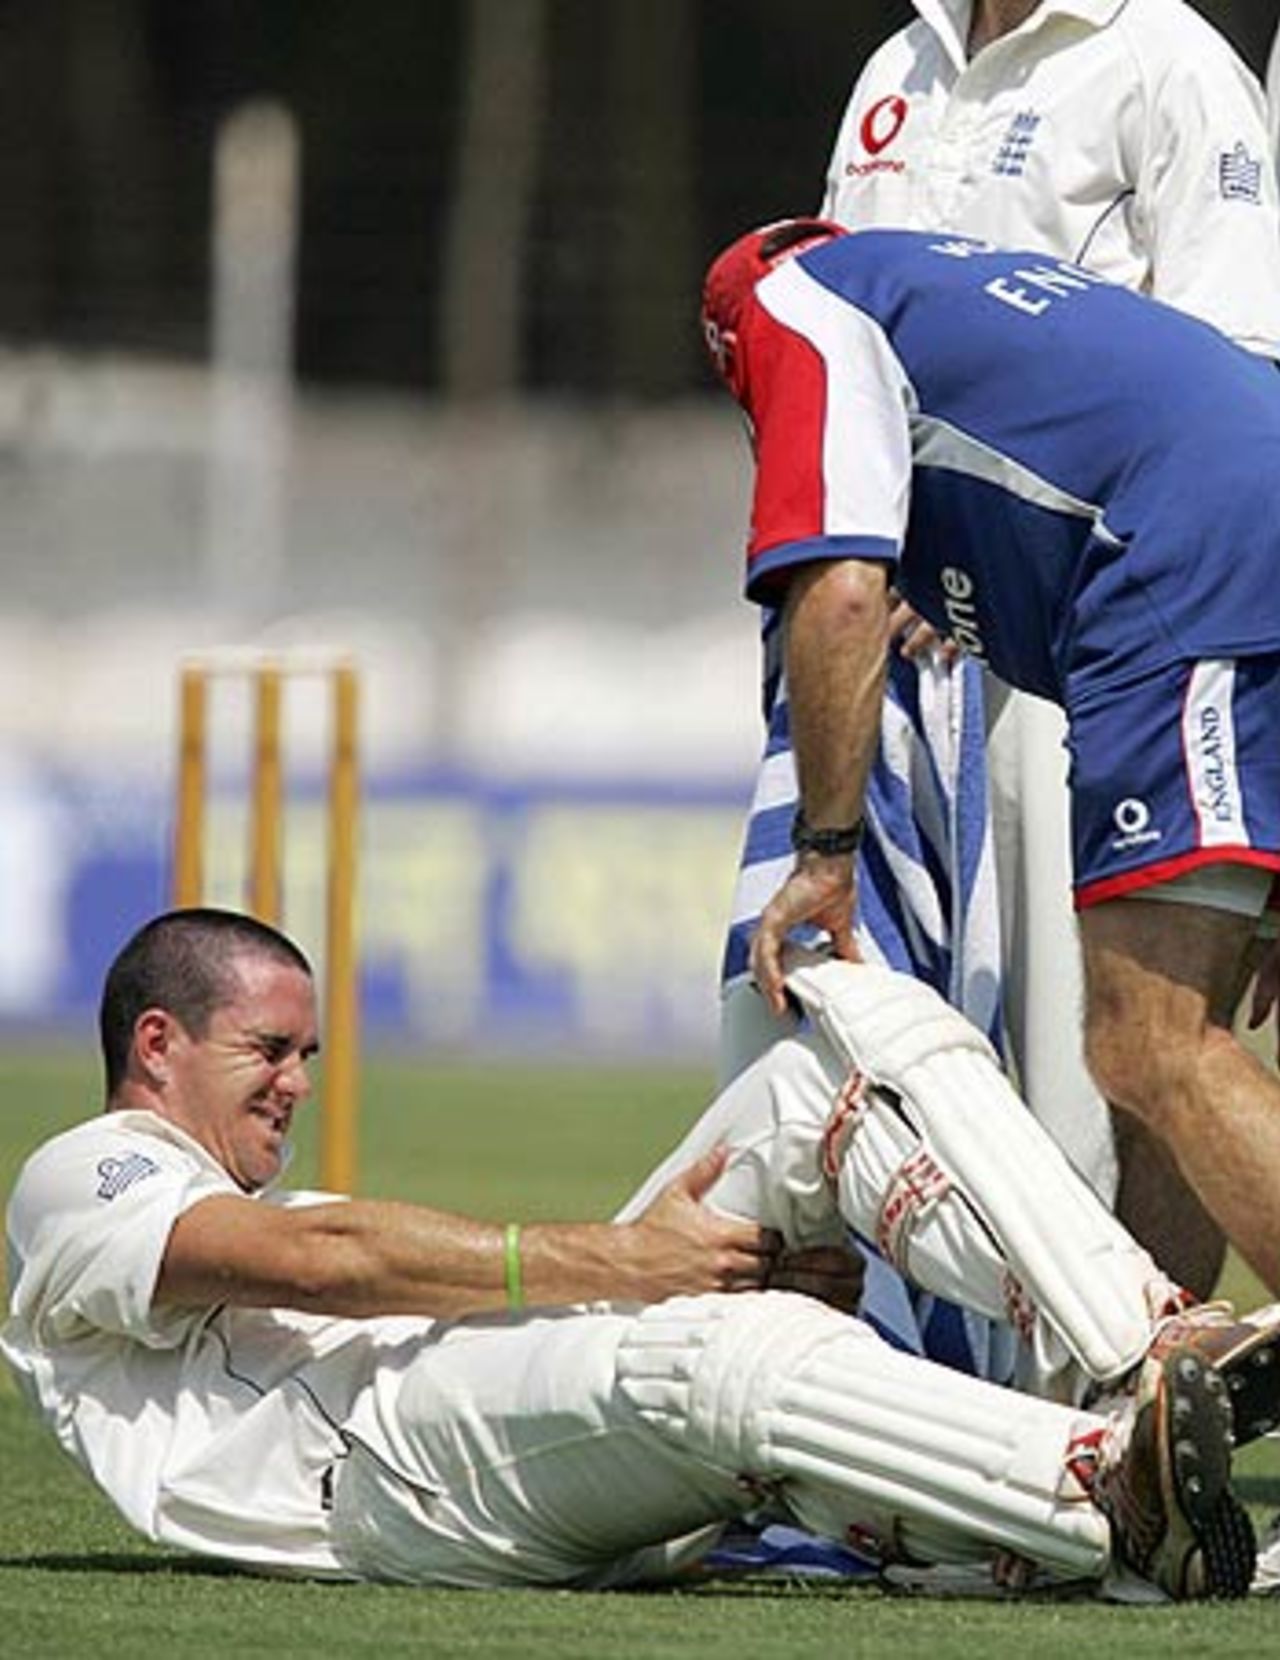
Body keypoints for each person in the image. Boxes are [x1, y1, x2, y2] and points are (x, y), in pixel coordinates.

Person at [4, 907, 1277, 1597]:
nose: (293, 1084)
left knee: (841, 1045)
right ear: (158, 1042)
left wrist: (720, 1258)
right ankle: (1107, 1482)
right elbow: (319, 1264)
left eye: (305, 1057)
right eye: (266, 1051)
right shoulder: (84, 1171)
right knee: (722, 1357)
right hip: (385, 1481)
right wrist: (623, 1266)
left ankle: (1144, 1342)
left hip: (466, 1409)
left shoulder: (212, 1172)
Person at [722, 0, 1280, 1304]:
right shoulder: (896, 66)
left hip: (1111, 597)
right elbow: (860, 374)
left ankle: (1101, 1369)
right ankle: (1124, 1423)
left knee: (1130, 1049)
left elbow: (1242, 340)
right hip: (948, 628)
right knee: (1093, 1034)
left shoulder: (1165, 56)